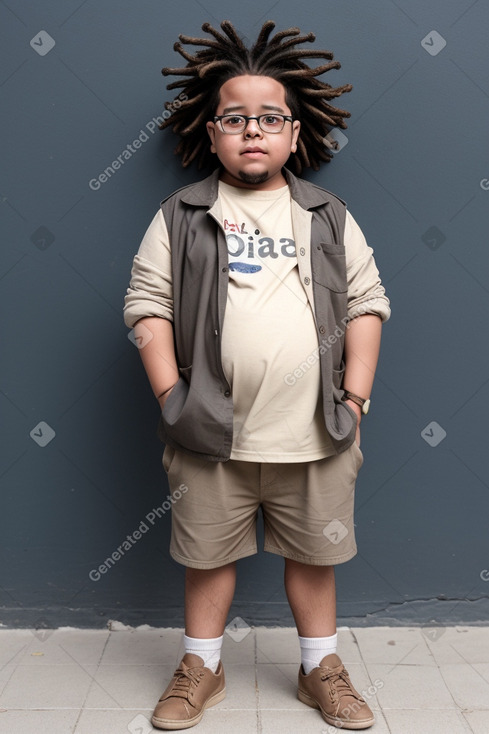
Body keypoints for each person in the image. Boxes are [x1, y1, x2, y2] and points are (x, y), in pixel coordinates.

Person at [123, 20, 390, 731]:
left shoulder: (328, 216)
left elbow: (367, 301)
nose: (252, 131)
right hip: (209, 432)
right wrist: (170, 396)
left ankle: (319, 671)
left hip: (315, 431)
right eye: (234, 118)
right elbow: (146, 304)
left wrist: (355, 398)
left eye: (269, 118)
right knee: (207, 557)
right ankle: (200, 670)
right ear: (210, 135)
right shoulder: (181, 214)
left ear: (294, 134)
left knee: (313, 557)